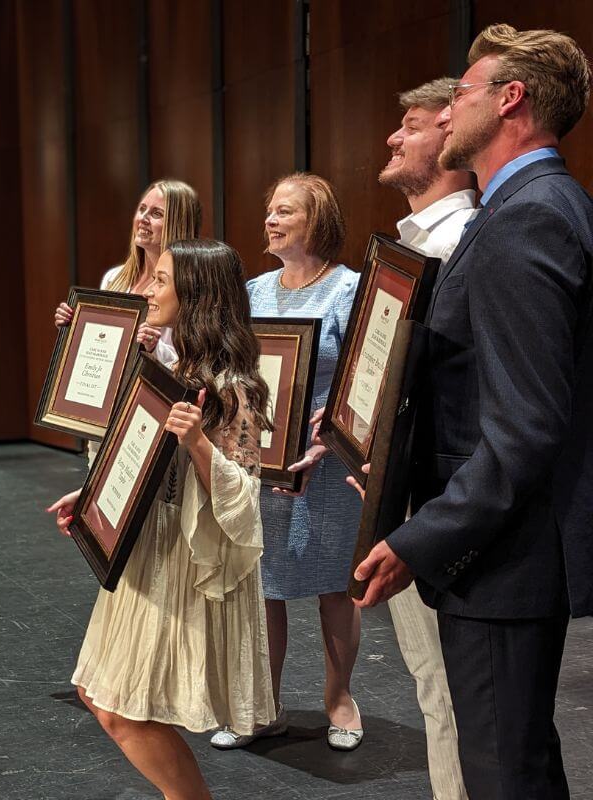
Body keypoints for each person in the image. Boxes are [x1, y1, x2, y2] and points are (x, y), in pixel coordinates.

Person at [354, 24, 593, 798]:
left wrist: (422, 537)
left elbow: (525, 425)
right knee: (518, 762)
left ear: (511, 100)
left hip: (503, 557)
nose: (448, 111)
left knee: (502, 775)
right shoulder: (529, 205)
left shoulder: (530, 216)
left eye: (461, 94)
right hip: (502, 549)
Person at [47, 239, 275, 800]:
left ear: (194, 294)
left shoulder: (232, 386)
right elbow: (143, 455)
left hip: (181, 559)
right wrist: (93, 493)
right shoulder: (174, 366)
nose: (147, 288)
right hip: (146, 549)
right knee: (103, 696)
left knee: (120, 706)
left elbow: (245, 499)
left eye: (162, 280)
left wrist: (197, 440)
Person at [213, 174, 364, 750]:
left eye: (284, 211)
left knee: (333, 586)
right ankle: (263, 704)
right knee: (265, 585)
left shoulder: (348, 289)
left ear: (316, 220)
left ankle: (339, 697)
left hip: (326, 461)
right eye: (269, 210)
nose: (270, 220)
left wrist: (331, 435)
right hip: (263, 458)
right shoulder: (252, 291)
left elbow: (365, 379)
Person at [371, 76, 478, 800]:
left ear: (450, 133)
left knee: (454, 694)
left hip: (444, 501)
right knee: (435, 686)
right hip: (410, 490)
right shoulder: (414, 245)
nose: (392, 136)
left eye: (411, 124)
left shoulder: (463, 240)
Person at [54, 179, 202, 367]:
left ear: (177, 223)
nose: (143, 219)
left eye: (156, 213)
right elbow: (103, 342)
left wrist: (155, 347)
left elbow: (193, 362)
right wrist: (73, 326)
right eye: (142, 209)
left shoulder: (189, 285)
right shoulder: (114, 277)